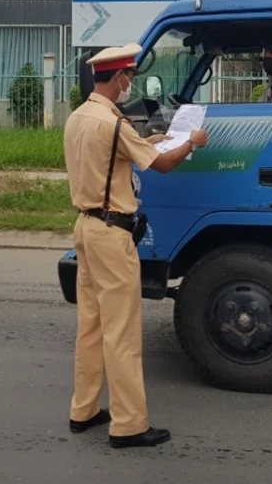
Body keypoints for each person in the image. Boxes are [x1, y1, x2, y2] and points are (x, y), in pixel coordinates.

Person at [63, 42, 209, 449]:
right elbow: (161, 164)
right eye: (129, 77)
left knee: (90, 326)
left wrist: (157, 138)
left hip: (85, 227)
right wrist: (191, 142)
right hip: (112, 234)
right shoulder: (113, 124)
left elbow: (119, 155)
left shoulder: (80, 117)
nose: (131, 84)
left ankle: (84, 409)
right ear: (121, 78)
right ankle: (128, 425)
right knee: (121, 332)